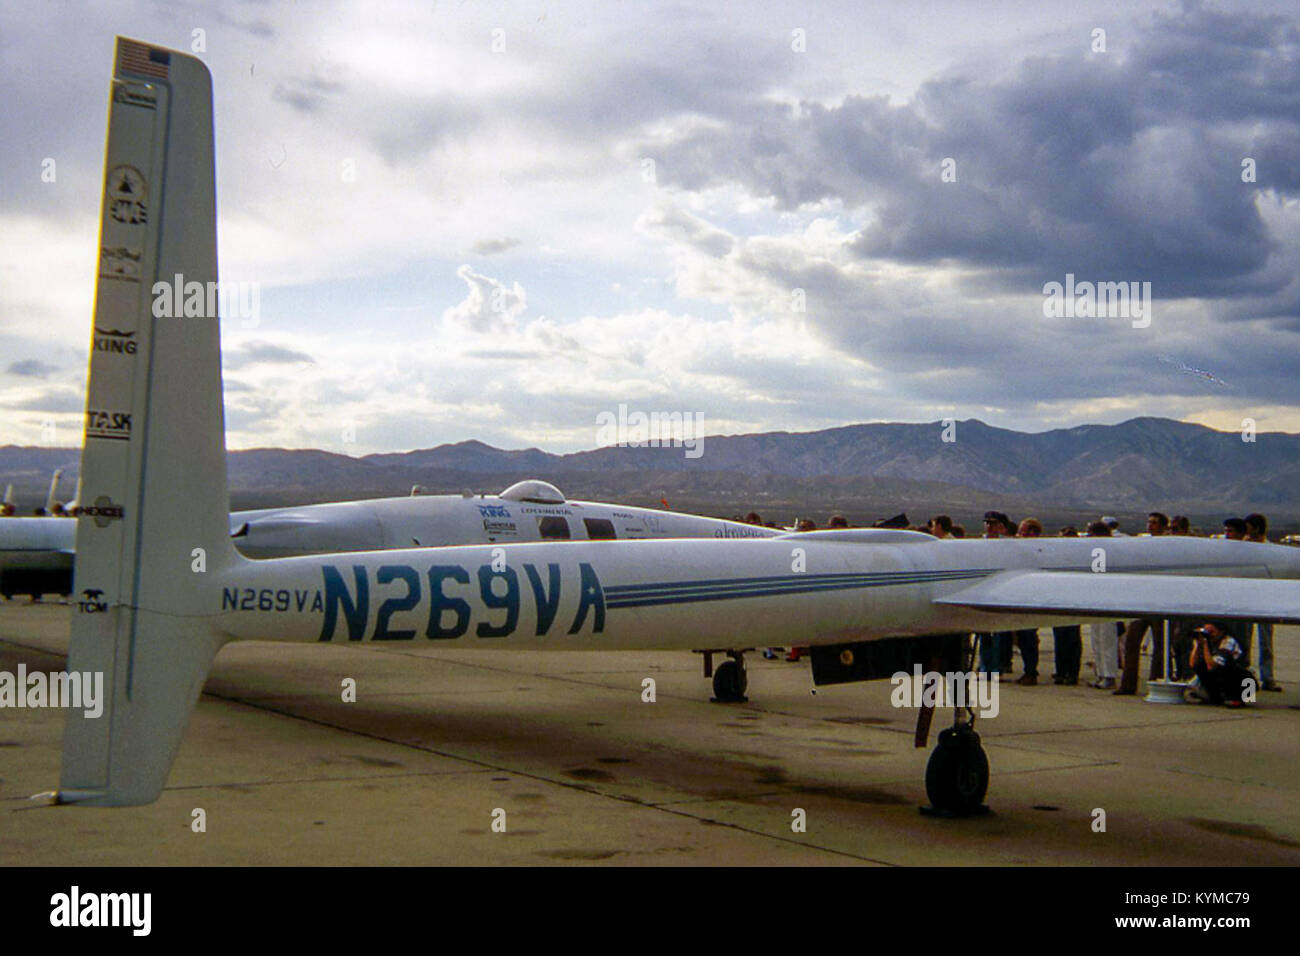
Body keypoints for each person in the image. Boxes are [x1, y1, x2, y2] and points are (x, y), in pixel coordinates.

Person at [1115, 512, 1170, 695]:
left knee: (1160, 645)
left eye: (1154, 523)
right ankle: (1128, 684)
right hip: (1142, 600)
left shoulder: (1168, 546)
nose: (1150, 525)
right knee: (1132, 642)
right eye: (1149, 522)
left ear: (1163, 526)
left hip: (1160, 601)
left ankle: (1156, 681)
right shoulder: (1144, 544)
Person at [1244, 514, 1281, 691]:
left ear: (1257, 529)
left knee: (1265, 642)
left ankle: (1268, 677)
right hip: (1246, 600)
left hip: (1265, 600)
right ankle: (1247, 680)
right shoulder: (1242, 547)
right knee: (1245, 643)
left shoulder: (1270, 550)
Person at [1084, 520, 1119, 687]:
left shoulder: (1106, 551)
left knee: (1107, 638)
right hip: (1095, 598)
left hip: (1107, 599)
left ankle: (1109, 674)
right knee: (1096, 638)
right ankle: (1100, 672)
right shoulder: (1093, 551)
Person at [1188, 623, 1253, 707]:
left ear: (1221, 632)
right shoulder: (1209, 643)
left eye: (1211, 632)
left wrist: (1205, 645)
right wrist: (1197, 645)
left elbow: (1212, 666)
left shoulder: (1228, 642)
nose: (1209, 635)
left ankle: (1236, 698)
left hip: (1246, 683)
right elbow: (1192, 664)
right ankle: (1215, 697)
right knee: (1200, 667)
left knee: (1222, 669)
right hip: (1225, 678)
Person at [1013, 518, 1043, 684]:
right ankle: (1029, 670)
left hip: (1031, 597)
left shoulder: (1035, 550)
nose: (1019, 534)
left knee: (1028, 636)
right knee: (1024, 637)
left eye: (1022, 531)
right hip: (1024, 597)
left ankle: (1031, 671)